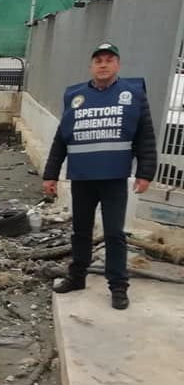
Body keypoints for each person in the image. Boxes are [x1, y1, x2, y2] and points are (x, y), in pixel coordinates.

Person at [42, 42, 157, 310]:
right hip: (83, 178)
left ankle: (118, 287)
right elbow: (61, 139)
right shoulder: (76, 96)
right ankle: (77, 276)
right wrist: (50, 175)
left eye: (109, 59)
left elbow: (146, 136)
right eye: (98, 60)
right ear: (92, 66)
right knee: (80, 231)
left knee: (114, 233)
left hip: (114, 178)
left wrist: (145, 173)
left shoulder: (132, 94)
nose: (103, 64)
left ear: (118, 65)